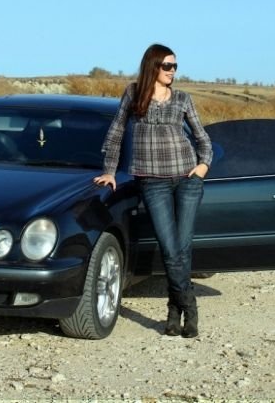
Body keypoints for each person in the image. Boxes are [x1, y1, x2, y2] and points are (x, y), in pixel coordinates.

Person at [94, 43, 212, 337]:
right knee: (170, 249)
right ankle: (187, 304)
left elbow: (202, 138)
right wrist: (110, 170)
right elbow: (116, 132)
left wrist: (203, 167)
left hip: (187, 179)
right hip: (152, 181)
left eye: (175, 66)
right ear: (153, 67)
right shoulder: (134, 94)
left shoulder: (183, 99)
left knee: (182, 248)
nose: (173, 71)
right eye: (167, 66)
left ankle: (177, 310)